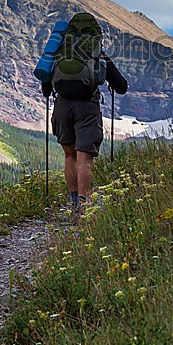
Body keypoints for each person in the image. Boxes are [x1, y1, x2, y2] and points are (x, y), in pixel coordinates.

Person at [40, 12, 127, 224]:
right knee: (84, 156)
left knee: (69, 155)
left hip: (62, 105)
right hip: (87, 106)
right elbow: (122, 87)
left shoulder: (58, 52)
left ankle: (72, 202)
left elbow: (45, 87)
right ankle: (83, 204)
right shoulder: (97, 54)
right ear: (94, 32)